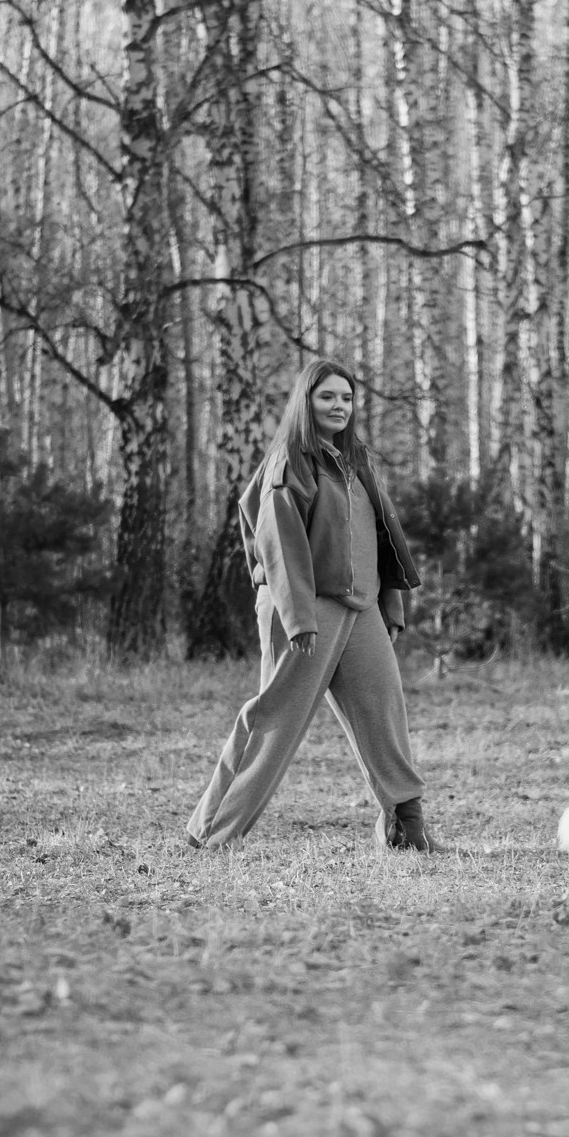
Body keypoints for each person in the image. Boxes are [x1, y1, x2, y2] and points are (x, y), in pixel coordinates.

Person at [185, 358, 436, 851]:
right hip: (304, 610)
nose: (339, 406)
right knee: (277, 718)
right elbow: (279, 544)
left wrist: (391, 605)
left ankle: (406, 826)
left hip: (361, 608)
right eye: (328, 397)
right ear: (306, 402)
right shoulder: (289, 463)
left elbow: (381, 537)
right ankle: (210, 831)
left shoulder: (355, 462)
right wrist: (297, 618)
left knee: (383, 709)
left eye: (346, 398)